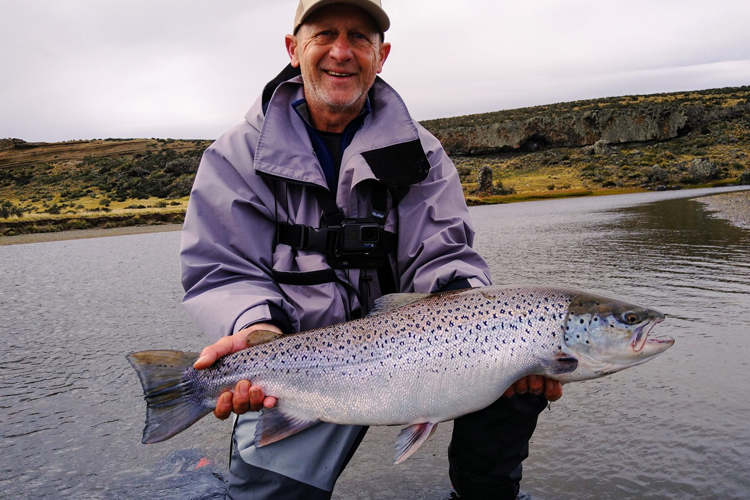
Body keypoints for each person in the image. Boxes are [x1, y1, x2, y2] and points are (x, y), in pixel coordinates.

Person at [180, 1, 562, 498]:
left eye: (360, 37)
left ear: (381, 55)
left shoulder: (421, 154)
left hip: (415, 352)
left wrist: (478, 319)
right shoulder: (235, 156)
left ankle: (482, 494)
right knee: (267, 493)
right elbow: (221, 269)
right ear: (294, 49)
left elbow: (444, 254)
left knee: (512, 365)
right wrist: (254, 328)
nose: (342, 51)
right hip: (302, 359)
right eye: (325, 35)